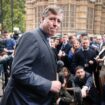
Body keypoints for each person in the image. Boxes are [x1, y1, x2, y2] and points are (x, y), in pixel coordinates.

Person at [0, 5, 64, 105]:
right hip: (22, 100)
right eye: (52, 19)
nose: (55, 24)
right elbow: (19, 71)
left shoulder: (45, 39)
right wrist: (49, 85)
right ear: (42, 19)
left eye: (59, 21)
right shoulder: (31, 36)